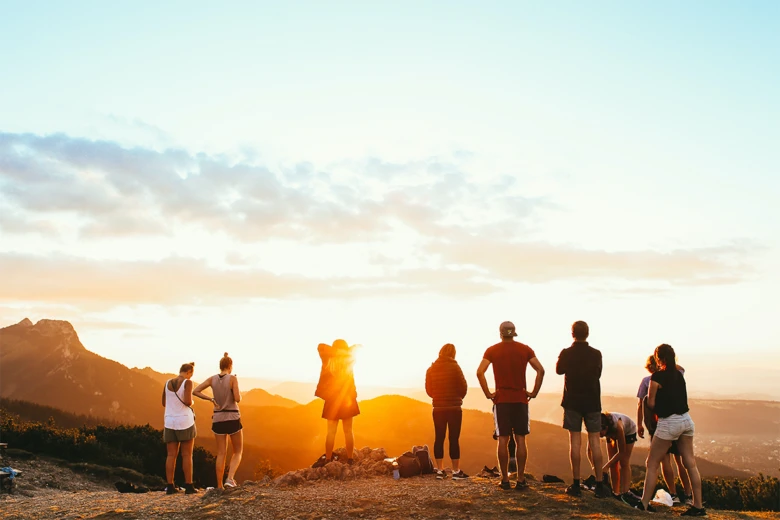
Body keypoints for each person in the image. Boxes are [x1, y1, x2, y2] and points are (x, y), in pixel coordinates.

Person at [627, 344, 706, 516]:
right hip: (686, 420)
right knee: (690, 464)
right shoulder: (678, 374)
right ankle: (698, 506)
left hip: (668, 423)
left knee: (652, 463)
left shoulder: (657, 377)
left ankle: (644, 504)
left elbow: (651, 403)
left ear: (659, 358)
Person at [477, 321, 545, 491]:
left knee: (503, 439)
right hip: (521, 398)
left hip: (502, 400)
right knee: (520, 439)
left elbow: (480, 372)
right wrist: (534, 392)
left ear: (500, 333)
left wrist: (488, 393)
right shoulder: (525, 349)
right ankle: (521, 480)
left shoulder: (492, 350)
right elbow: (540, 370)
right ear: (514, 333)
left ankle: (505, 479)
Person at [556, 320, 609, 498]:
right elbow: (598, 374)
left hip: (573, 402)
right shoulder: (596, 354)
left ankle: (576, 484)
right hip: (592, 401)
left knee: (575, 443)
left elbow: (558, 370)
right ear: (587, 333)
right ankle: (600, 484)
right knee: (595, 442)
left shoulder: (566, 353)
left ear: (573, 334)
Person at [637, 355, 693, 505]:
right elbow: (681, 369)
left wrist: (640, 424)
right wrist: (668, 362)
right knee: (681, 460)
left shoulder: (647, 381)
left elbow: (642, 404)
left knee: (663, 461)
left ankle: (673, 494)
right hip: (679, 421)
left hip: (660, 424)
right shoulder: (675, 376)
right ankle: (688, 495)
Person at [193, 352, 243, 489]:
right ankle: (230, 479)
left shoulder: (212, 379)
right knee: (237, 451)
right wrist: (235, 386)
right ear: (230, 366)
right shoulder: (233, 378)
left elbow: (195, 391)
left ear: (220, 366)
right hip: (232, 417)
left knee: (221, 453)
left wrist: (210, 399)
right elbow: (238, 398)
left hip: (218, 418)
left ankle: (219, 485)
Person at [312, 339, 360, 467]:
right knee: (348, 431)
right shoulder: (348, 362)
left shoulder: (328, 361)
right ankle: (350, 459)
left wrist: (337, 352)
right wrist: (347, 351)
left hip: (332, 400)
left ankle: (328, 459)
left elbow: (320, 346)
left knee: (330, 432)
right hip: (347, 399)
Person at [425, 343, 468, 480]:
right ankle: (456, 471)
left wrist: (438, 397)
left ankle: (440, 470)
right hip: (454, 408)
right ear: (453, 353)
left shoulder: (431, 369)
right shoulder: (455, 367)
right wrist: (457, 397)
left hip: (438, 408)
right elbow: (463, 387)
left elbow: (429, 390)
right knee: (454, 438)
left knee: (439, 437)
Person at [161, 362, 197, 495]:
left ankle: (170, 486)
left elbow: (164, 403)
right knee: (187, 455)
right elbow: (188, 401)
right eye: (191, 374)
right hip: (184, 422)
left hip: (169, 421)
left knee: (171, 455)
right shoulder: (188, 382)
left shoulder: (167, 383)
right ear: (188, 372)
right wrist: (192, 402)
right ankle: (189, 486)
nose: (191, 376)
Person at [594, 411, 637, 497]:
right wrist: (594, 466)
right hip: (611, 433)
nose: (599, 435)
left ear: (605, 428)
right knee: (613, 464)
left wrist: (605, 467)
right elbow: (590, 449)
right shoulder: (602, 427)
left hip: (629, 431)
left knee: (624, 462)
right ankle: (615, 492)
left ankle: (625, 492)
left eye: (600, 433)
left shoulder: (618, 427)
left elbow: (622, 452)